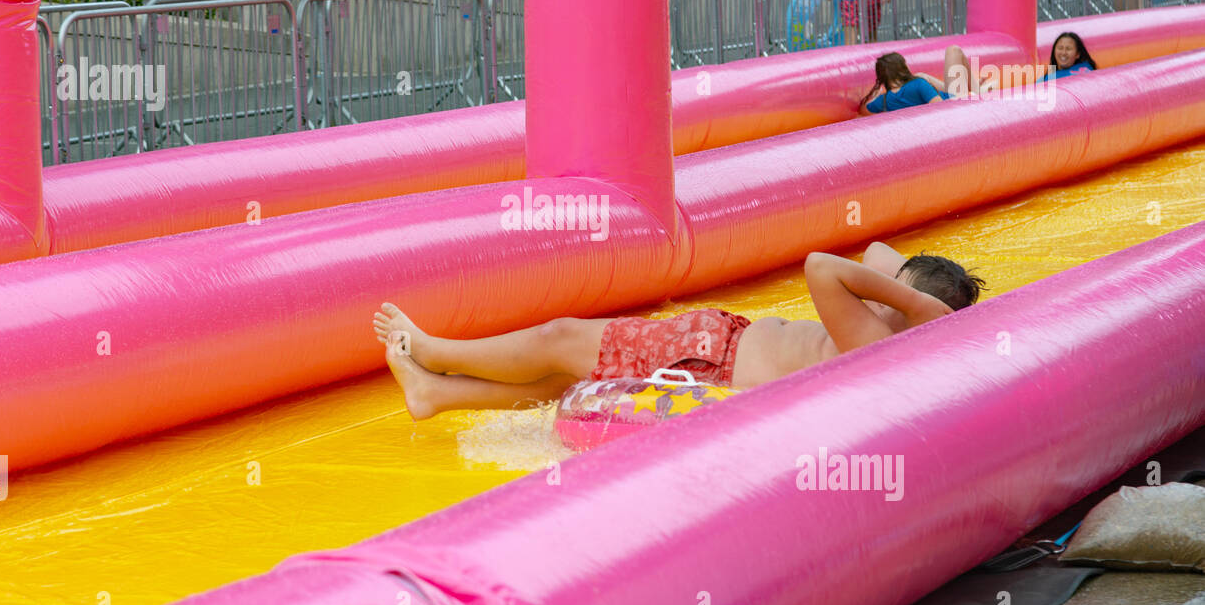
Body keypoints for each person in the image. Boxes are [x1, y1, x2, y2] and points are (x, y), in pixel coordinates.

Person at [373, 244, 985, 419]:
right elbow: (878, 252)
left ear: (915, 311)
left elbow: (821, 267)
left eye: (899, 293)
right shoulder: (894, 328)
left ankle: (434, 350)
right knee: (566, 378)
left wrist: (911, 303)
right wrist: (916, 301)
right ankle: (439, 394)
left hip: (709, 361)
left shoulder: (879, 342)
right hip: (714, 354)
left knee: (558, 339)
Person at [856, 46, 977, 115]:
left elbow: (862, 111)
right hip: (955, 101)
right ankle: (979, 90)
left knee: (923, 76)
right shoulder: (917, 84)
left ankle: (978, 86)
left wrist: (875, 95)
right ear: (902, 68)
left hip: (948, 96)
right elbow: (942, 107)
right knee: (953, 50)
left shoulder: (884, 100)